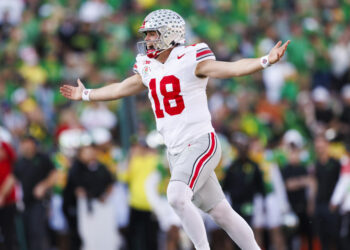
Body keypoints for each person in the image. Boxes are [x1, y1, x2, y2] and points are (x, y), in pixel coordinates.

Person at [60, 9, 289, 250]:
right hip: (176, 151)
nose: (147, 39)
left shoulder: (191, 57)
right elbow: (121, 88)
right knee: (221, 212)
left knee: (176, 197)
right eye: (146, 35)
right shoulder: (148, 65)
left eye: (151, 34)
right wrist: (86, 94)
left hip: (201, 143)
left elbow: (230, 68)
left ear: (169, 34)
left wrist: (265, 60)